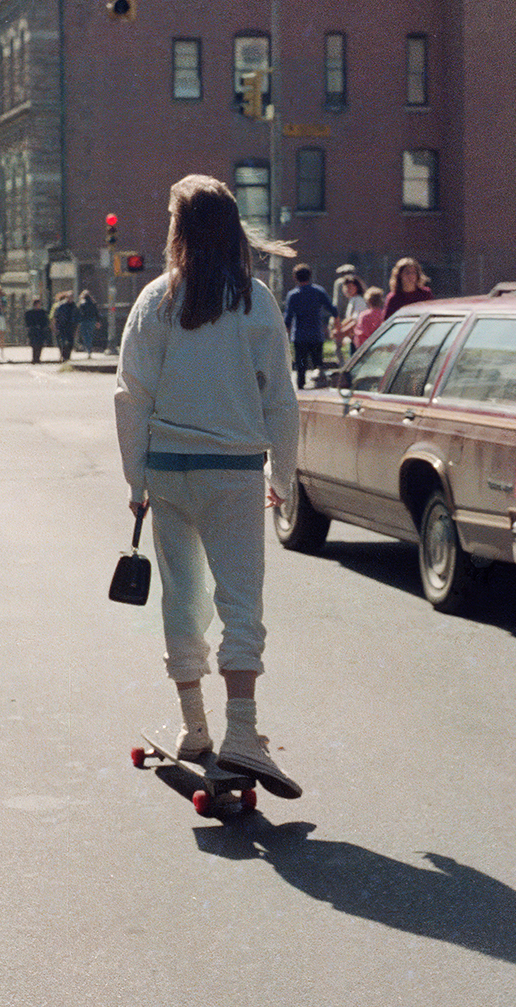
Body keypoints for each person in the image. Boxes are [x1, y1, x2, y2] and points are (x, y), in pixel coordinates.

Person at [115, 174, 302, 800]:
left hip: (167, 470)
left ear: (179, 232)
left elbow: (131, 395)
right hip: (233, 472)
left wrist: (135, 478)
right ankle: (242, 733)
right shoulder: (254, 302)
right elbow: (280, 399)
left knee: (184, 598)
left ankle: (195, 729)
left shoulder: (154, 302)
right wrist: (285, 474)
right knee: (239, 603)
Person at [283, 263, 338, 390]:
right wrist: (337, 324)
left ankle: (301, 388)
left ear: (295, 277)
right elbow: (332, 309)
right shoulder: (318, 291)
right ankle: (320, 385)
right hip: (316, 334)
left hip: (300, 335)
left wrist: (286, 332)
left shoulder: (293, 295)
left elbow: (288, 317)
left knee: (301, 365)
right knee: (318, 363)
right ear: (310, 276)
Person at [332, 274, 368, 353]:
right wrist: (339, 328)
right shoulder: (352, 300)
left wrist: (341, 332)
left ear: (357, 287)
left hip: (360, 338)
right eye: (346, 287)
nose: (348, 289)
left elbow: (355, 320)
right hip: (353, 338)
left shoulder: (359, 300)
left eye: (351, 287)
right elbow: (350, 318)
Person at [331, 264, 358, 365]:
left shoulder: (341, 283)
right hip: (346, 316)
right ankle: (345, 364)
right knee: (341, 343)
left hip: (348, 317)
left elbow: (337, 302)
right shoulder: (340, 283)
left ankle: (345, 364)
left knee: (342, 344)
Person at [51, 291, 78, 363]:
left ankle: (67, 356)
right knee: (62, 342)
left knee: (70, 343)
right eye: (69, 297)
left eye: (72, 297)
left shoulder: (74, 306)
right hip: (61, 326)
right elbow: (55, 316)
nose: (70, 299)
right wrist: (54, 326)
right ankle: (63, 356)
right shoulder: (61, 306)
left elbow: (77, 318)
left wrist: (76, 329)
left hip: (71, 327)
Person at [24, 298, 50, 364]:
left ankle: (38, 358)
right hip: (33, 330)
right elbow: (27, 322)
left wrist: (44, 328)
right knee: (34, 345)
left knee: (40, 345)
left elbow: (45, 321)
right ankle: (34, 358)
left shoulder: (42, 312)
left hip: (41, 330)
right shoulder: (29, 313)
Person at [77, 290, 100, 357]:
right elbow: (96, 313)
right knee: (90, 335)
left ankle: (88, 348)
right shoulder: (93, 303)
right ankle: (89, 349)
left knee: (85, 336)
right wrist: (97, 321)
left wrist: (78, 321)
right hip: (92, 321)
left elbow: (80, 313)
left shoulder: (82, 303)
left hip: (84, 321)